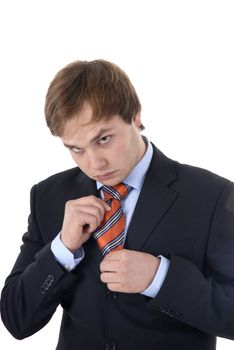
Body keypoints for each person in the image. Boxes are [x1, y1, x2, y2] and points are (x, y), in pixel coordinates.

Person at [1, 59, 234, 350]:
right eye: (76, 149)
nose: (94, 164)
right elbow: (16, 320)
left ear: (135, 116)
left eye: (104, 139)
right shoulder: (49, 196)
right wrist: (62, 249)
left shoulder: (211, 196)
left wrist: (160, 278)